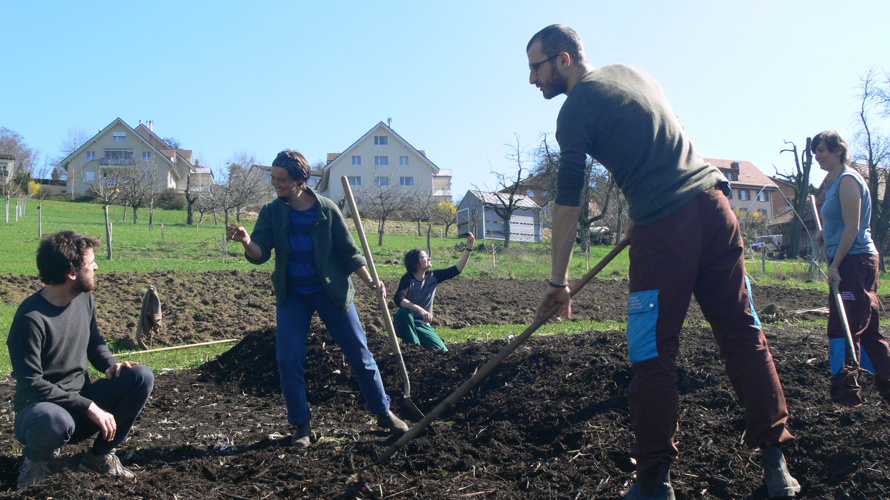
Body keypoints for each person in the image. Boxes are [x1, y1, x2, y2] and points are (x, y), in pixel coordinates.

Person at [526, 25, 799, 499]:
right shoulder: (634, 73)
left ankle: (654, 480)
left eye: (536, 66)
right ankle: (778, 465)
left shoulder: (574, 111)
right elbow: (673, 137)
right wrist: (642, 210)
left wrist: (558, 280)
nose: (532, 79)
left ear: (564, 59)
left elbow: (568, 201)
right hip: (715, 208)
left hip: (665, 231)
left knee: (651, 349)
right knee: (741, 331)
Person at [227, 149, 409, 449]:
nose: (276, 185)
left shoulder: (326, 209)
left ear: (300, 179)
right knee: (289, 360)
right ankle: (301, 426)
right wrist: (247, 242)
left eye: (282, 179)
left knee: (359, 353)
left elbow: (349, 253)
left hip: (331, 291)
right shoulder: (272, 212)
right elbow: (260, 255)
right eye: (273, 179)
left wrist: (371, 281)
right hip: (293, 296)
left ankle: (383, 412)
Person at [7, 231, 155, 489]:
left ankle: (99, 458)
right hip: (41, 413)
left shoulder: (83, 297)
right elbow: (32, 384)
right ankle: (35, 463)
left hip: (80, 404)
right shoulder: (30, 319)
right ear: (71, 273)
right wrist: (89, 406)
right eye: (91, 263)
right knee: (55, 420)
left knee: (140, 376)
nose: (97, 266)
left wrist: (111, 364)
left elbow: (94, 343)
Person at [812, 130, 890, 407]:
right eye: (816, 152)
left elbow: (854, 227)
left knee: (842, 328)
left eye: (822, 150)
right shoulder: (835, 184)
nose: (818, 156)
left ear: (838, 150)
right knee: (867, 331)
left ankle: (846, 398)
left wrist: (835, 265)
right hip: (854, 259)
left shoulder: (847, 180)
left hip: (854, 262)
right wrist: (825, 234)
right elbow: (841, 223)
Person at [393, 232, 476, 351]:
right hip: (407, 323)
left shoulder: (433, 277)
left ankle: (418, 342)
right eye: (423, 257)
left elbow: (457, 270)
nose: (429, 258)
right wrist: (419, 309)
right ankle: (413, 349)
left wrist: (469, 248)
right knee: (404, 312)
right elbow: (398, 299)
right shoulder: (408, 279)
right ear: (415, 263)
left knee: (443, 351)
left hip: (423, 325)